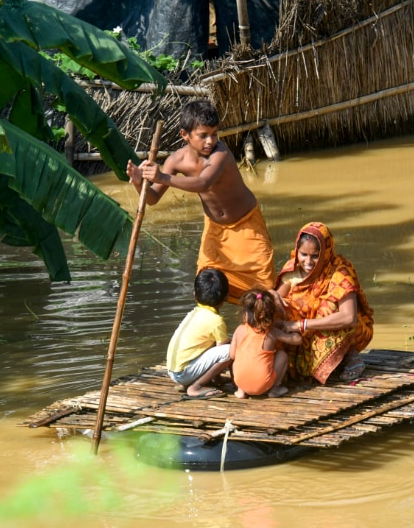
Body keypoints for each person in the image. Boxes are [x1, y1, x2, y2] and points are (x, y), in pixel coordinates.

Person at [127, 99, 274, 304]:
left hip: (247, 225)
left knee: (262, 295)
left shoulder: (220, 154)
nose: (210, 141)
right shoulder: (176, 161)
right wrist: (137, 182)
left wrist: (162, 177)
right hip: (215, 231)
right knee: (206, 290)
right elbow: (152, 198)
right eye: (203, 135)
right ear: (184, 135)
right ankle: (212, 334)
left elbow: (203, 183)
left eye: (214, 134)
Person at [276, 222, 374, 384]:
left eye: (315, 256)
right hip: (302, 333)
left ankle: (351, 356)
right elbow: (276, 302)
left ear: (326, 252)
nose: (308, 262)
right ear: (297, 251)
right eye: (303, 254)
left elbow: (349, 318)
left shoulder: (340, 271)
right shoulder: (292, 269)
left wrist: (302, 324)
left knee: (328, 308)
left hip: (341, 329)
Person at [167, 268, 232, 399]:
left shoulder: (194, 313)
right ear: (226, 297)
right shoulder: (216, 321)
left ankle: (210, 380)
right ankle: (196, 387)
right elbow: (222, 350)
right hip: (183, 374)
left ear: (195, 295)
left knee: (215, 344)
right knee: (231, 350)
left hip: (174, 371)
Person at [229, 289, 302, 398]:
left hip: (240, 381)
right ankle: (274, 389)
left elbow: (232, 355)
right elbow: (297, 340)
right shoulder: (272, 332)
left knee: (236, 361)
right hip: (263, 385)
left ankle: (241, 391)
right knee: (282, 355)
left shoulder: (239, 329)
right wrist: (288, 326)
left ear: (245, 314)